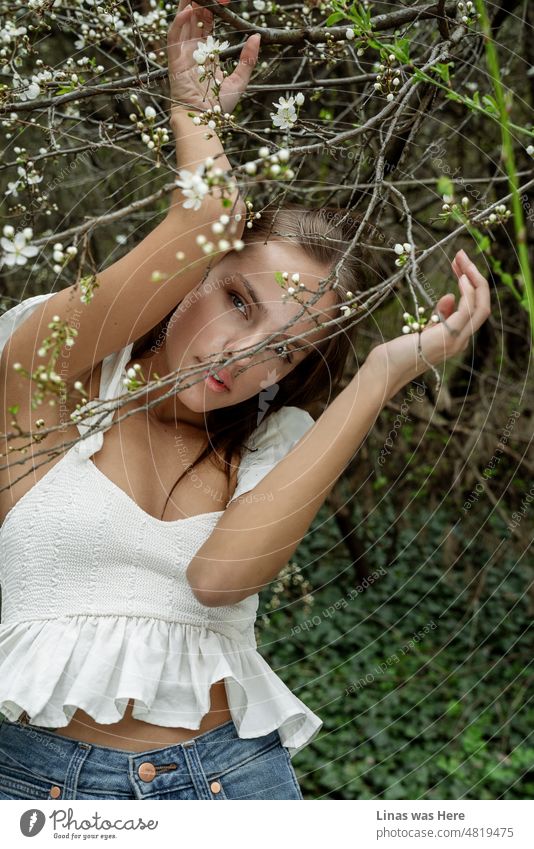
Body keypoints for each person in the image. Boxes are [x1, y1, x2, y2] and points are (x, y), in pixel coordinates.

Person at [0, 0, 491, 801]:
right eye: (237, 299)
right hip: (39, 792)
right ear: (194, 272)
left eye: (286, 346)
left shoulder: (269, 440)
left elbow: (220, 578)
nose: (247, 353)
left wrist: (379, 374)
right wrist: (198, 139)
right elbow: (199, 222)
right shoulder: (41, 372)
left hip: (229, 779)